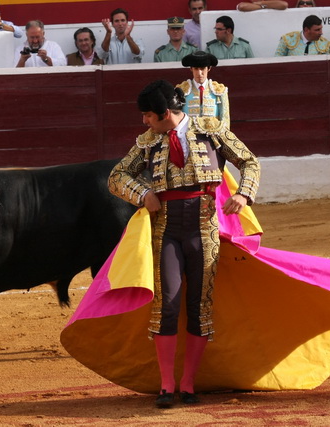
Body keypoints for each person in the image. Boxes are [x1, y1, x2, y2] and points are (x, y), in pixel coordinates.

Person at [107, 79, 260, 407]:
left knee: (199, 308)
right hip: (166, 233)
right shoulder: (148, 141)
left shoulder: (210, 129)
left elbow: (249, 161)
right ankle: (166, 386)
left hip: (204, 230)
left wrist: (244, 193)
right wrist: (143, 193)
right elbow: (116, 177)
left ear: (163, 113)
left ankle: (188, 384)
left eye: (147, 115)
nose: (144, 122)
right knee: (167, 305)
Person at [177, 51, 230, 127]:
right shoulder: (181, 90)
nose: (199, 73)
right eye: (196, 69)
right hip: (188, 135)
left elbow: (225, 120)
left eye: (202, 68)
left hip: (213, 135)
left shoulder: (220, 90)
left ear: (209, 68)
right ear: (191, 69)